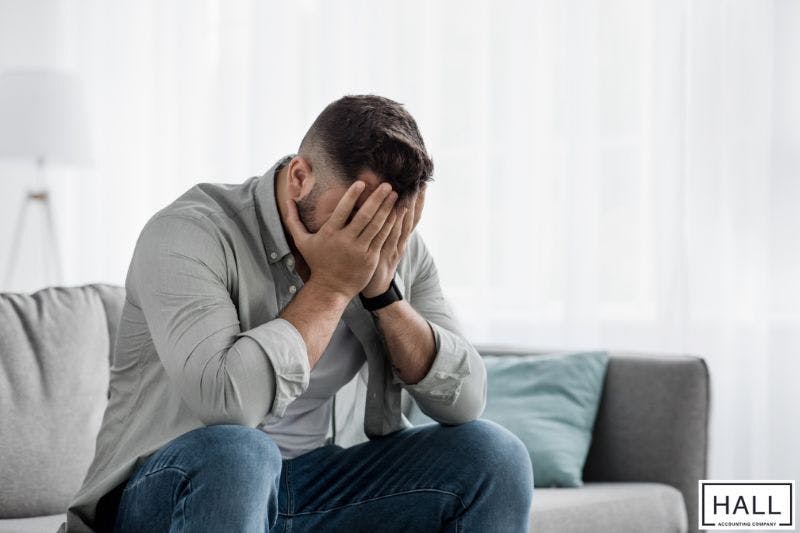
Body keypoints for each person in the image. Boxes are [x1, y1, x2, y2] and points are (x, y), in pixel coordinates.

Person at [61, 94, 534, 532]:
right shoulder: (189, 233)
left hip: (317, 483)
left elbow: (466, 399)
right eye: (352, 213)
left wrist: (383, 295)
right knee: (241, 454)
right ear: (300, 177)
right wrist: (331, 286)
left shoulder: (396, 247)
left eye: (388, 219)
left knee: (494, 456)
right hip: (179, 486)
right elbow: (229, 403)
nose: (368, 237)